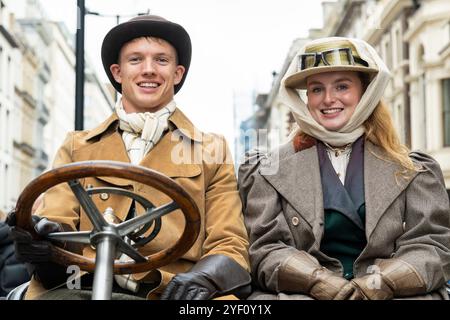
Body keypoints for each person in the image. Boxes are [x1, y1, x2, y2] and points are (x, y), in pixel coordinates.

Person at [7, 15, 251, 300]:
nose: (149, 70)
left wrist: (202, 279)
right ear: (118, 73)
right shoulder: (77, 147)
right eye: (135, 60)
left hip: (172, 292)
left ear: (177, 73)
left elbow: (230, 241)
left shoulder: (212, 150)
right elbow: (58, 222)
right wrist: (42, 239)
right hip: (82, 287)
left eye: (161, 60)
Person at [238, 37, 450, 300]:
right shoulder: (268, 169)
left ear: (365, 92)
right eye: (316, 89)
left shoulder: (414, 169)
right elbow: (265, 248)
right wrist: (316, 280)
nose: (328, 99)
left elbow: (432, 245)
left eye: (342, 86)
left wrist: (381, 283)